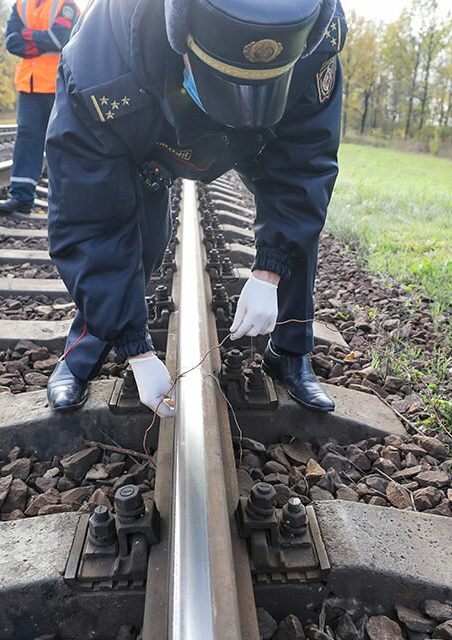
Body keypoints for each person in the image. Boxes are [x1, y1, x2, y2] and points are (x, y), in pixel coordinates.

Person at [45, 0, 348, 418]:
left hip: (265, 133)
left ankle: (291, 350)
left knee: (294, 226)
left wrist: (269, 271)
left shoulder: (317, 42)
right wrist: (137, 350)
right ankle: (83, 354)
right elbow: (90, 221)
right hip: (153, 118)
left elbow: (303, 169)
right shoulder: (100, 63)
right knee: (136, 235)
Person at [0, 0, 83, 213]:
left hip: (59, 82)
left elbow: (59, 38)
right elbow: (11, 42)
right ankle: (21, 197)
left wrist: (26, 34)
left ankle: (71, 201)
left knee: (65, 142)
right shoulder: (21, 5)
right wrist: (40, 39)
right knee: (27, 139)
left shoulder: (65, 4)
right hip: (29, 84)